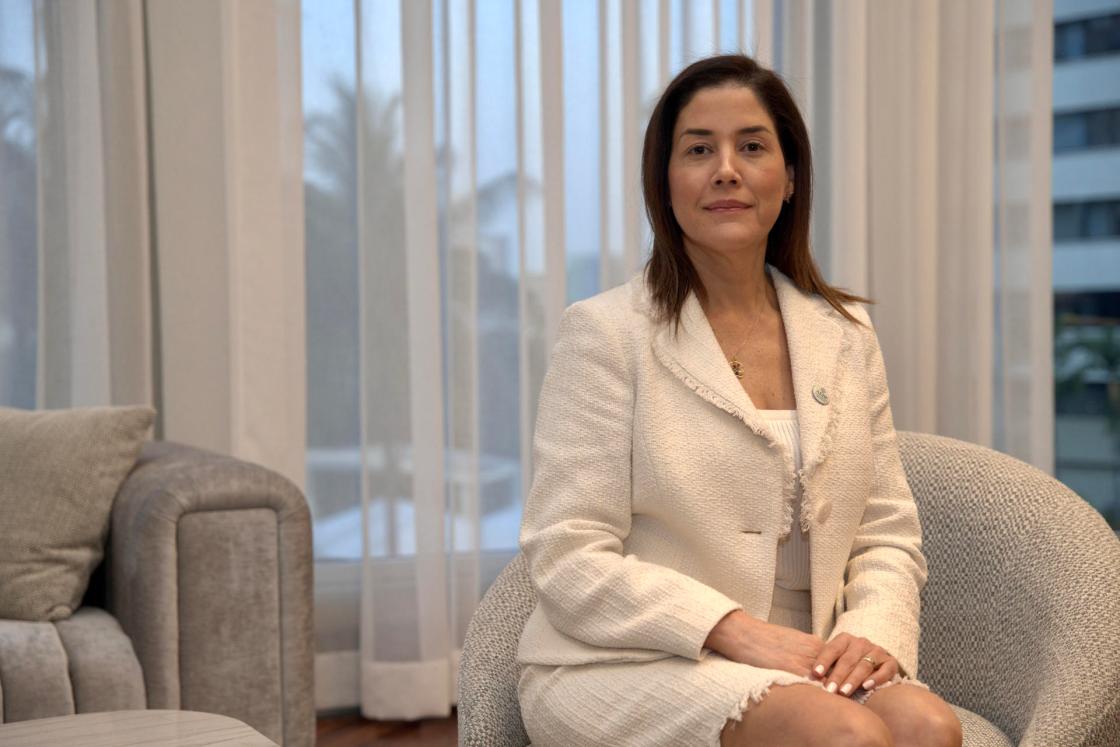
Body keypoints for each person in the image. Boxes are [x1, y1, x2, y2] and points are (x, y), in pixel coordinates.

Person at [515, 53, 963, 746]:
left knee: (928, 726)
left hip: (805, 650)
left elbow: (887, 532)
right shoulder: (606, 333)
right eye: (698, 149)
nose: (726, 168)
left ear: (788, 179)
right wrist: (736, 631)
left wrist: (872, 633)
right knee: (846, 735)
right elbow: (566, 554)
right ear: (665, 184)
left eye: (752, 146)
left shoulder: (845, 335)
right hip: (632, 658)